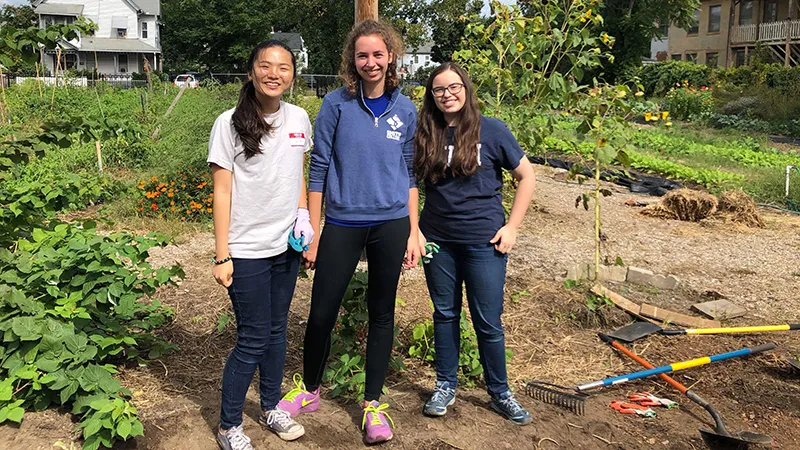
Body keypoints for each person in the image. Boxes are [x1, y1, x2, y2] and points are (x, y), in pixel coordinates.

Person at [276, 19, 419, 445]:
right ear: (351, 61)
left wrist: (414, 229)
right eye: (362, 55)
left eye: (378, 54)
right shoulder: (336, 105)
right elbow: (318, 167)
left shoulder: (406, 109)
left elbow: (410, 173)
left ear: (390, 57)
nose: (370, 62)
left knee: (382, 312)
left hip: (391, 223)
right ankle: (311, 389)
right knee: (321, 310)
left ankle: (373, 404)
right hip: (341, 222)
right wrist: (314, 229)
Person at [413, 62, 537, 425]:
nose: (446, 94)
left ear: (466, 89)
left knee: (488, 320)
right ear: (431, 96)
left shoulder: (493, 130)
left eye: (453, 87)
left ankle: (500, 392)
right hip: (438, 241)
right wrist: (414, 230)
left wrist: (512, 226)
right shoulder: (426, 133)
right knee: (445, 314)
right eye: (438, 90)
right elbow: (410, 184)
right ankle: (445, 385)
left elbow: (526, 176)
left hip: (485, 242)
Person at [208, 39, 314, 450]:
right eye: (266, 66)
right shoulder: (229, 122)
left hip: (285, 247)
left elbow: (297, 174)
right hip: (247, 248)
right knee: (252, 337)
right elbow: (221, 192)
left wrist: (304, 218)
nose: (274, 74)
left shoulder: (300, 118)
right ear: (252, 71)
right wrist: (222, 254)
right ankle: (229, 425)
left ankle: (271, 406)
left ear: (292, 74)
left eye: (283, 67)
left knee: (275, 331)